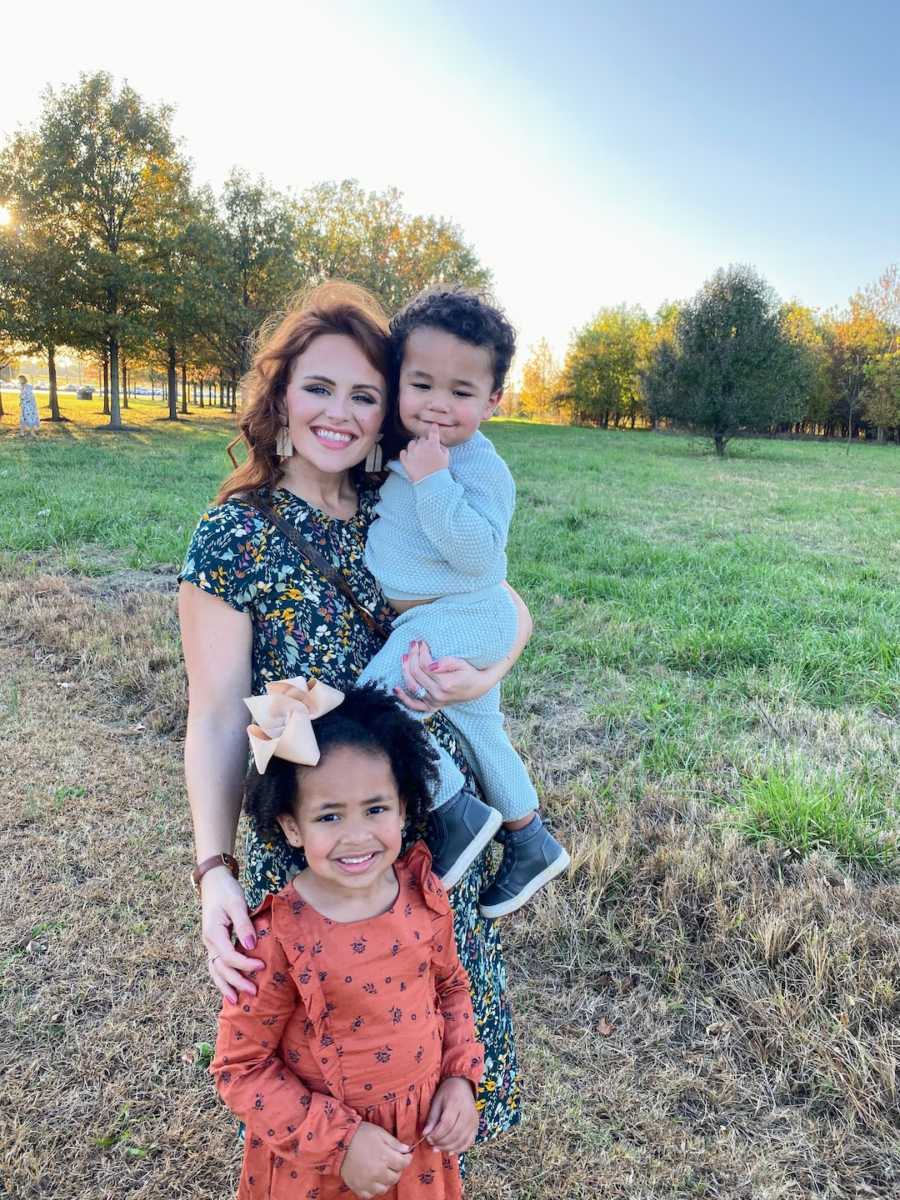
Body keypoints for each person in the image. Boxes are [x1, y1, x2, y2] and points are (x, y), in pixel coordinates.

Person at [178, 282, 528, 1152]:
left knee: (437, 1077)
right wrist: (214, 869)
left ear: (389, 413)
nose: (340, 414)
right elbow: (221, 718)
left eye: (364, 395)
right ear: (281, 395)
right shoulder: (235, 535)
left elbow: (505, 601)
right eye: (319, 387)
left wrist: (486, 668)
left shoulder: (398, 503)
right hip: (318, 848)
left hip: (431, 835)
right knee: (329, 1085)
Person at [212, 682, 483, 1199]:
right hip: (318, 1168)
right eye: (329, 816)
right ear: (291, 827)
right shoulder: (277, 937)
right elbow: (240, 1068)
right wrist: (342, 1143)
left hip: (417, 1153)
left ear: (405, 808)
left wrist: (460, 1078)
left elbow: (451, 990)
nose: (357, 835)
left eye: (376, 809)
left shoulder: (423, 897)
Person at [359, 289, 568, 918]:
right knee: (482, 731)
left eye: (461, 392)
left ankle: (453, 811)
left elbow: (482, 558)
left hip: (461, 613)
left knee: (377, 705)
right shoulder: (407, 443)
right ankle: (529, 838)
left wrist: (433, 481)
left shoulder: (477, 467)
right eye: (421, 384)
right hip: (447, 614)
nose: (438, 406)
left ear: (492, 401)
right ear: (398, 380)